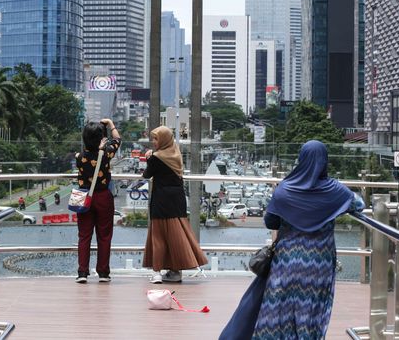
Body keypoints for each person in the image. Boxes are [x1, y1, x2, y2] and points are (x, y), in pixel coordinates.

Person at [226, 140, 362, 339]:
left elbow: (270, 222)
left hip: (286, 261)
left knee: (279, 311)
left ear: (300, 159)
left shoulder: (285, 189)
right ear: (325, 161)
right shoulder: (335, 190)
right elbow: (357, 204)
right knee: (312, 312)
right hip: (319, 264)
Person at [142, 126, 207, 284]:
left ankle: (157, 272)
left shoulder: (156, 158)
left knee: (158, 236)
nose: (153, 141)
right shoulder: (176, 154)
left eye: (156, 138)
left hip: (161, 198)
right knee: (176, 234)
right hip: (177, 198)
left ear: (163, 140)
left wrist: (148, 157)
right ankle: (175, 271)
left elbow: (146, 175)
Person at [75, 118, 121, 283]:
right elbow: (117, 140)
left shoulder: (79, 157)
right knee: (104, 236)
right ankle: (103, 273)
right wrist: (110, 124)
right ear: (101, 138)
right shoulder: (106, 153)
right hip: (103, 197)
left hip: (85, 198)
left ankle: (82, 272)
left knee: (84, 236)